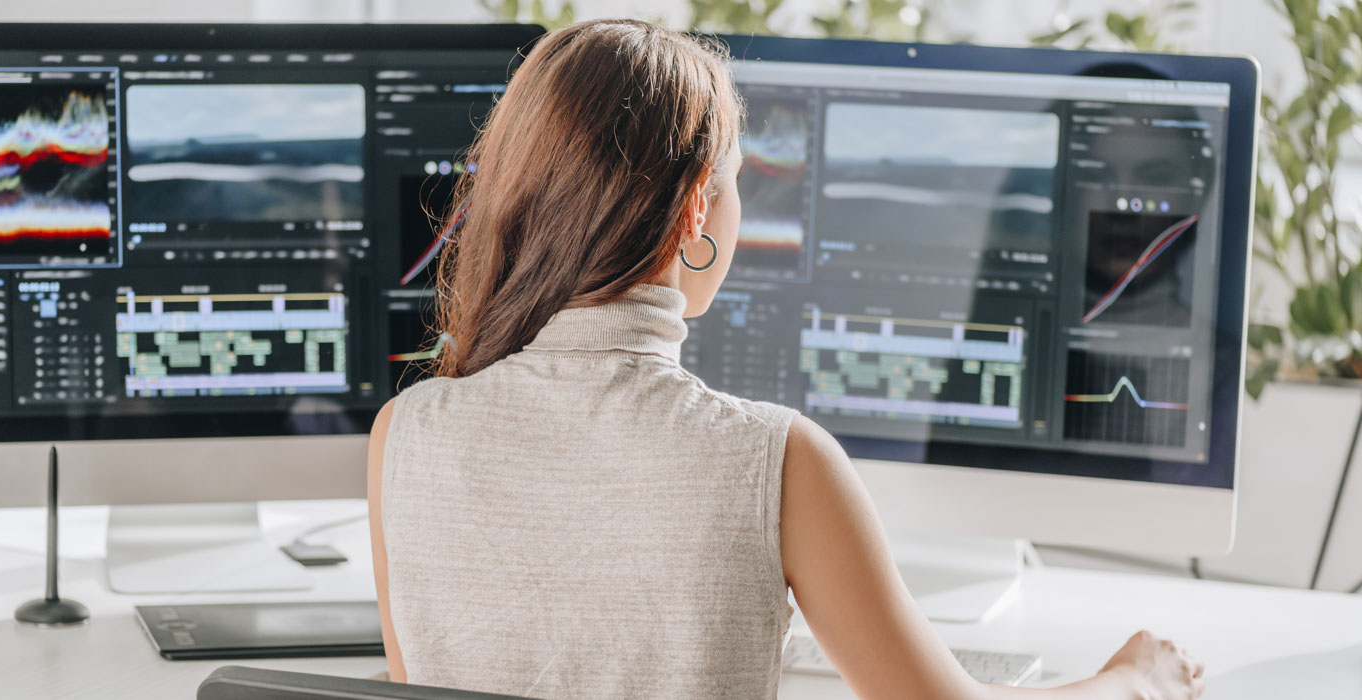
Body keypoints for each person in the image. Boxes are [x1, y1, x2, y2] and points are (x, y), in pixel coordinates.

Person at [367, 18, 1205, 700]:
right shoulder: (774, 458)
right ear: (698, 207)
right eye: (736, 181)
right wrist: (1131, 681)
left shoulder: (405, 432)